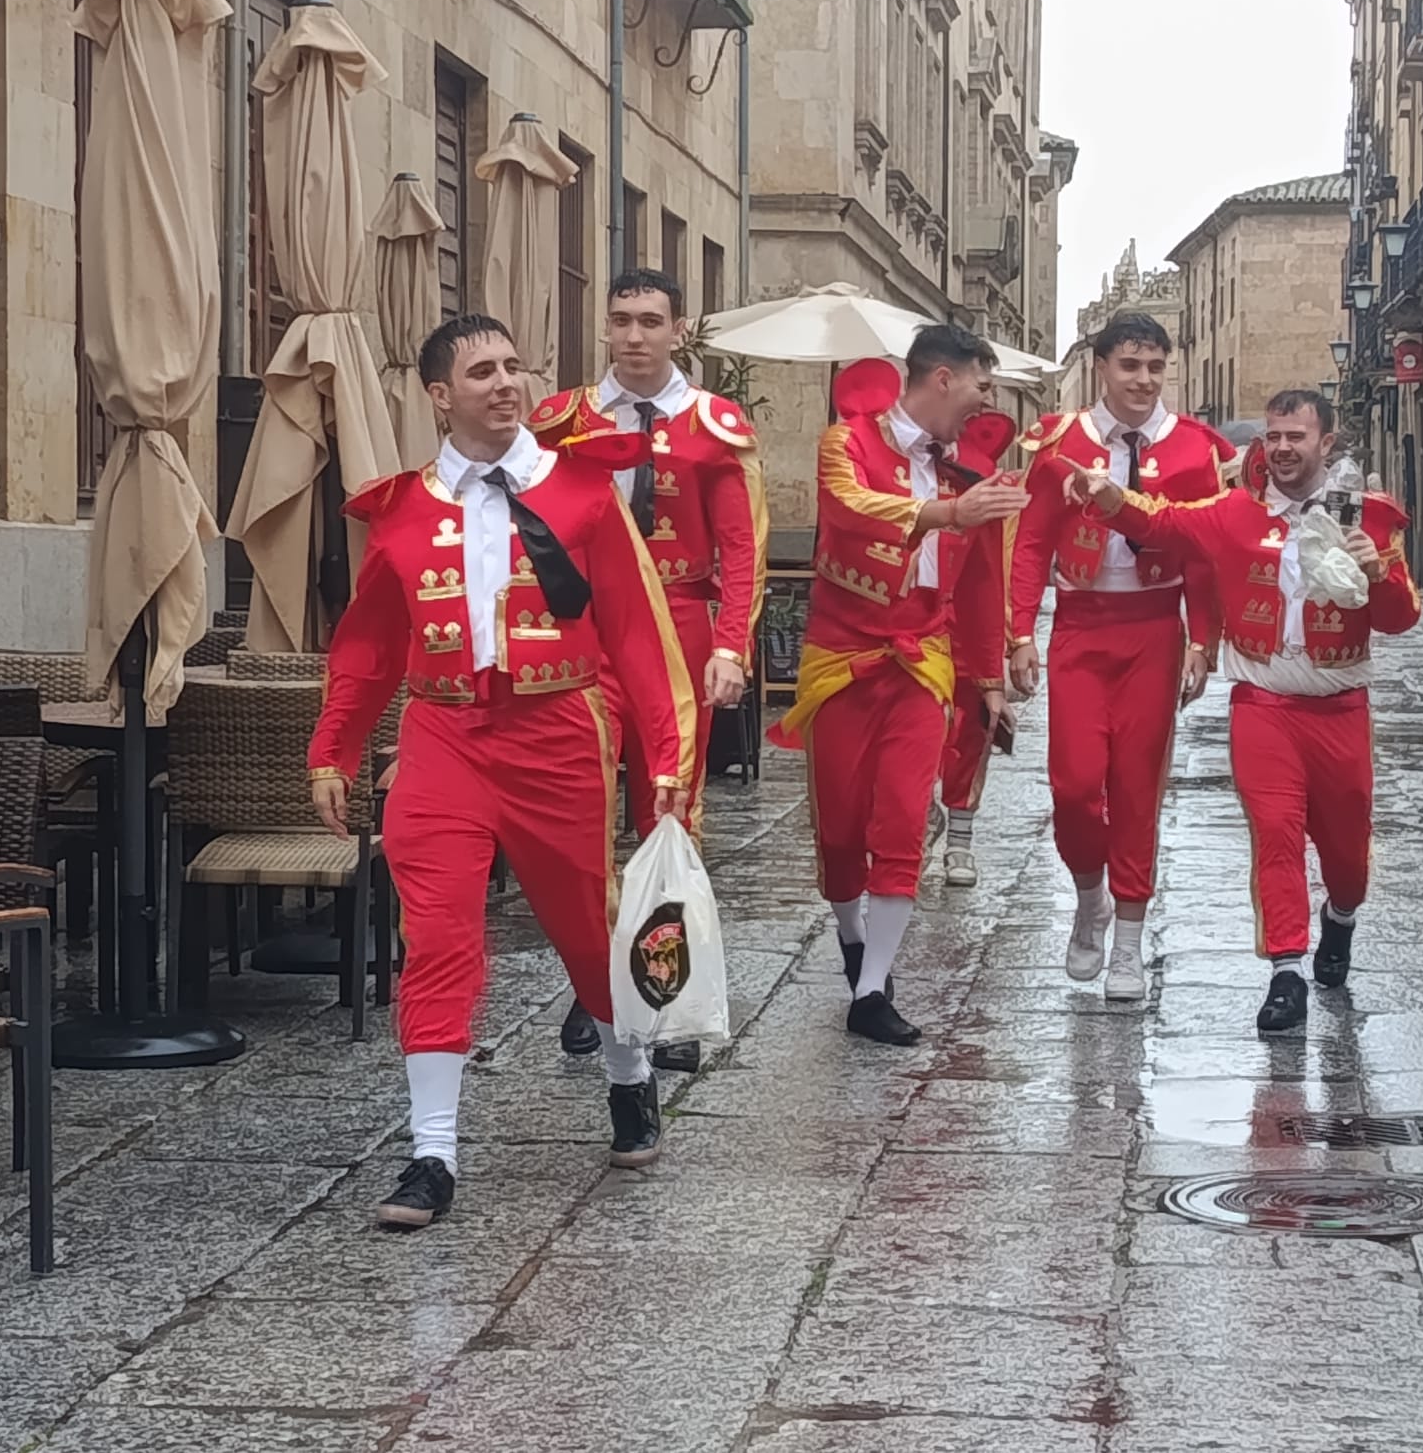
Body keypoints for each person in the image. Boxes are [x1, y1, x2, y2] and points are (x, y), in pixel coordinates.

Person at [309, 314, 696, 1230]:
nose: (504, 382)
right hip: (442, 739)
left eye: (514, 366)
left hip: (558, 732)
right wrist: (334, 747)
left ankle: (628, 1075)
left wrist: (669, 758)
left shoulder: (585, 495)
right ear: (440, 395)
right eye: (481, 371)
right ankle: (432, 1153)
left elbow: (640, 640)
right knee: (437, 936)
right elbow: (367, 646)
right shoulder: (398, 508)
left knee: (583, 928)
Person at [1067, 389, 1421, 1033]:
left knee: (1345, 854)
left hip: (1340, 705)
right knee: (1276, 831)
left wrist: (1381, 575)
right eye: (1274, 437)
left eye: (1297, 437)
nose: (1282, 448)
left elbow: (1400, 620)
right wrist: (1108, 495)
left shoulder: (1366, 520)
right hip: (1261, 704)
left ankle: (1340, 919)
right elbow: (1161, 521)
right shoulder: (1232, 513)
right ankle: (1286, 971)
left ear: (1327, 443)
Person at [529, 268, 768, 1071]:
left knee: (670, 815)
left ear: (678, 330)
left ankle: (662, 999)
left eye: (650, 321)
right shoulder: (561, 423)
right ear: (605, 327)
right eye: (621, 320)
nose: (634, 336)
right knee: (582, 816)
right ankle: (594, 985)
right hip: (586, 637)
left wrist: (732, 647)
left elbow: (742, 547)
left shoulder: (714, 425)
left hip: (682, 628)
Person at [768, 327, 1027, 1045]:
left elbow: (979, 587)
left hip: (923, 661)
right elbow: (848, 509)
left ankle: (874, 987)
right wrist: (944, 514)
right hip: (839, 655)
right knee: (841, 826)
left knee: (902, 819)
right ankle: (853, 936)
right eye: (981, 383)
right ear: (942, 379)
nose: (987, 399)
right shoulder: (845, 442)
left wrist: (990, 681)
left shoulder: (970, 473)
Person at [1006, 313, 1226, 999]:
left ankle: (1128, 941)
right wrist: (1019, 633)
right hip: (1079, 627)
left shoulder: (1193, 449)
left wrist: (1203, 639)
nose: (1143, 380)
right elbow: (1033, 542)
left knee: (1137, 788)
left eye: (1156, 368)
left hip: (1153, 630)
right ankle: (1089, 894)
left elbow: (1205, 554)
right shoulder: (1059, 444)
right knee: (1073, 785)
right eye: (1130, 366)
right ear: (1102, 366)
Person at [937, 410, 1021, 890]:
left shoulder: (986, 482)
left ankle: (960, 840)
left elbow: (991, 578)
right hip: (905, 630)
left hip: (964, 629)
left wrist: (996, 668)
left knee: (970, 735)